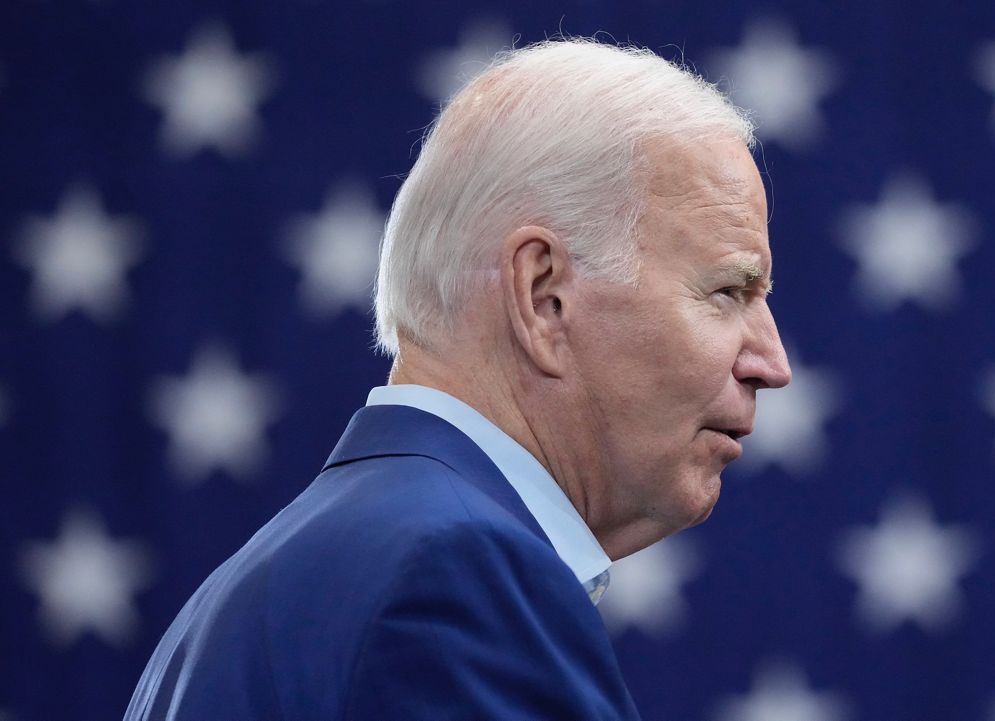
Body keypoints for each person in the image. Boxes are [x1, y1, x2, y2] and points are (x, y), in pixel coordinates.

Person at [125, 37, 790, 720]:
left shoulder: (243, 597)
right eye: (727, 291)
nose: (773, 363)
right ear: (543, 296)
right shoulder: (456, 574)